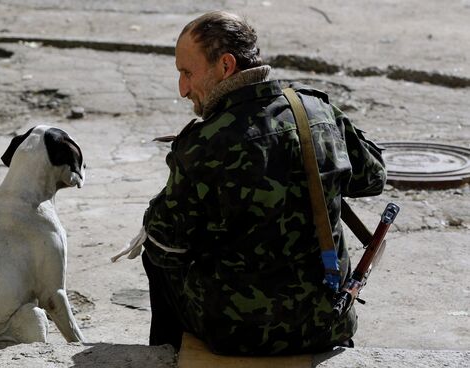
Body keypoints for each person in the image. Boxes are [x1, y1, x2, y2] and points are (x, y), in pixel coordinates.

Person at [112, 11, 386, 355]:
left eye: (187, 73)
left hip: (239, 334)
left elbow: (167, 243)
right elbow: (373, 177)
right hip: (329, 320)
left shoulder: (204, 144)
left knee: (154, 253)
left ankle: (167, 358)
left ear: (226, 66)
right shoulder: (315, 111)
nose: (182, 89)